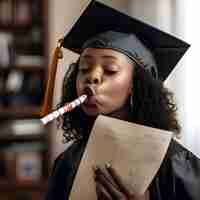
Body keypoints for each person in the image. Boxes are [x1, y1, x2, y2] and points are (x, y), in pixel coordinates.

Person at [43, 1, 200, 200]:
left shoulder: (175, 164)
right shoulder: (68, 162)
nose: (92, 77)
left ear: (137, 84)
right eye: (83, 69)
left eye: (110, 69)